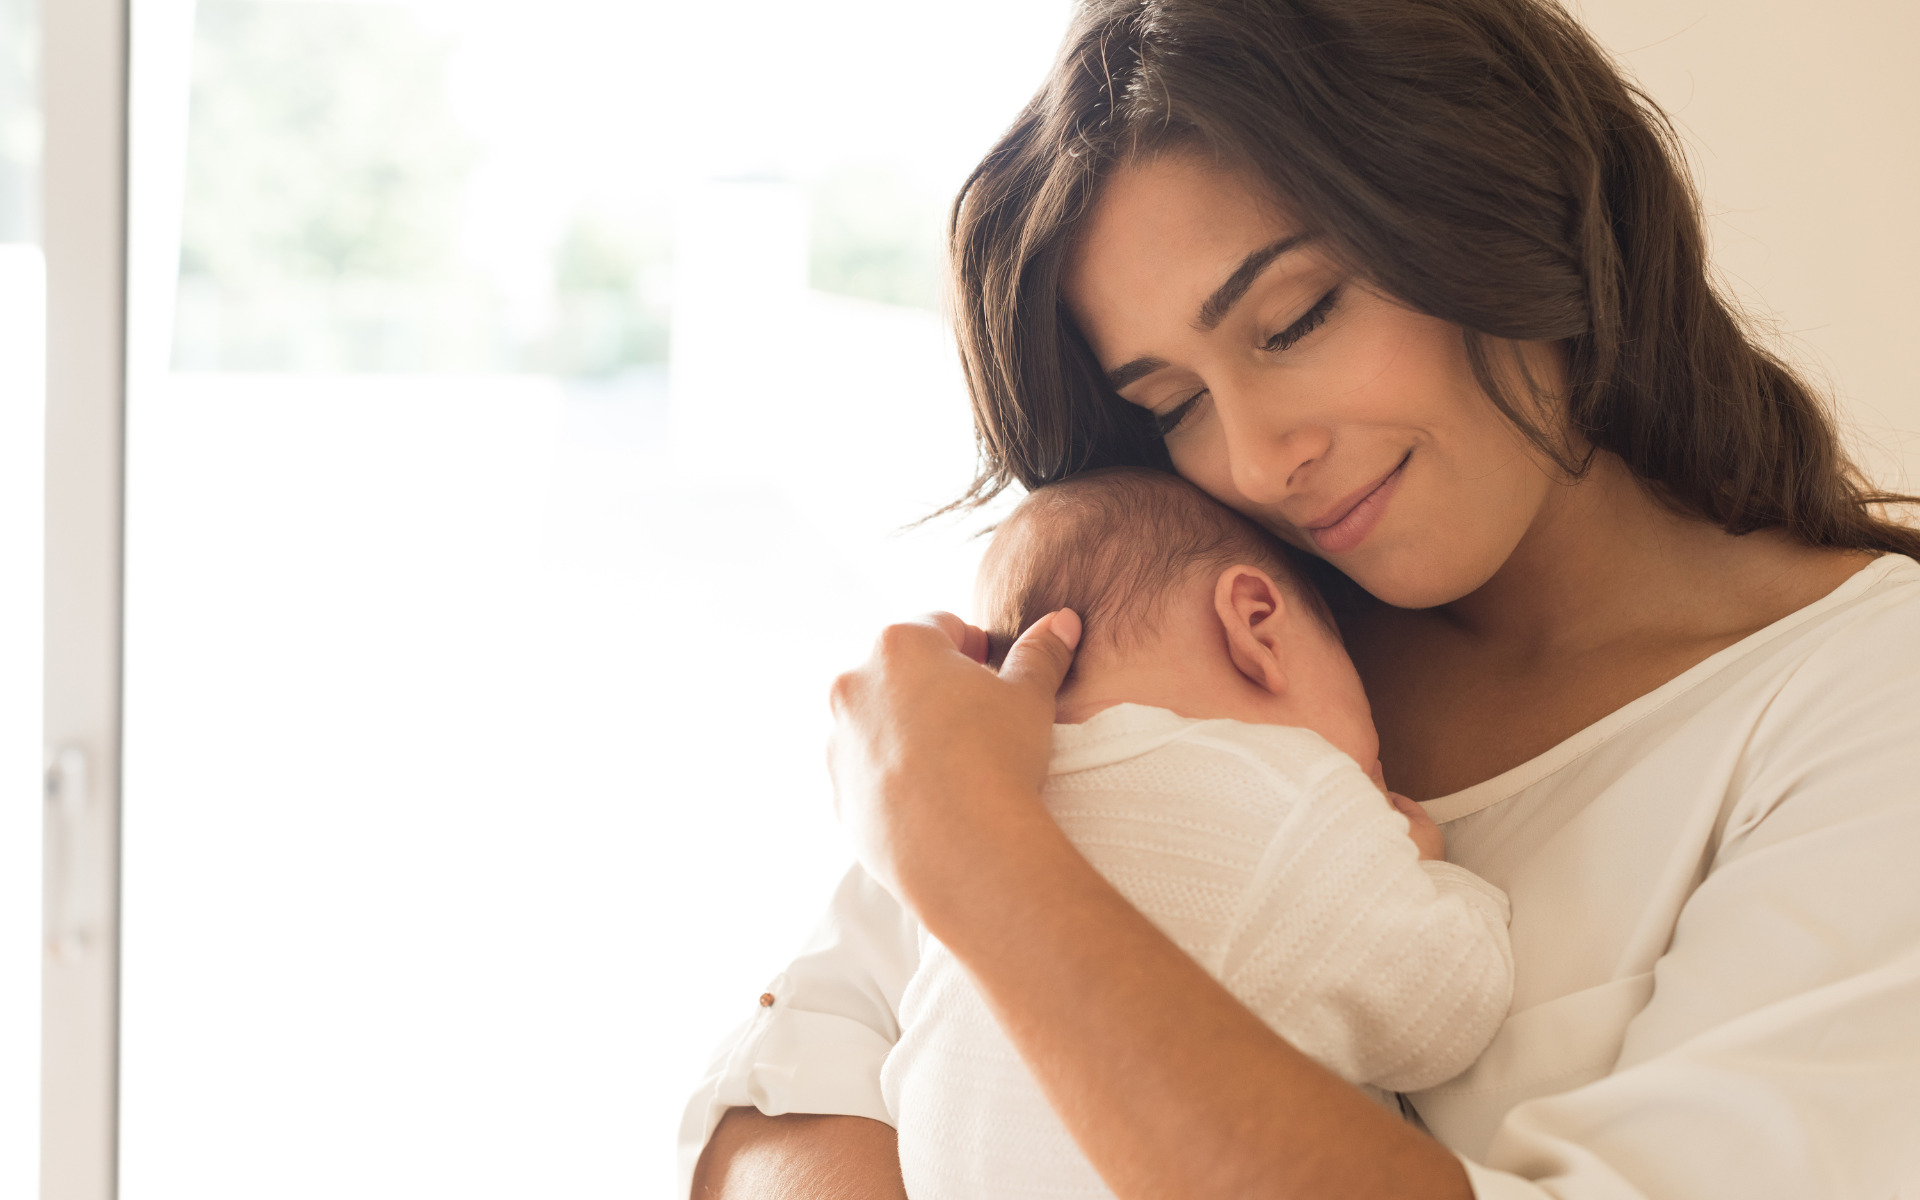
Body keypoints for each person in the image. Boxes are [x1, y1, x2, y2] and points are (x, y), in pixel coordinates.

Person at [686, 0, 1920, 1196]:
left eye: (1297, 318)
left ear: (1498, 201)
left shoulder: (1865, 705)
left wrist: (984, 863)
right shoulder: (1195, 637)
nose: (1259, 459)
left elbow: (937, 901)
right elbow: (776, 1110)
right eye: (1173, 404)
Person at [882, 467, 1513, 1200]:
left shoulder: (974, 825)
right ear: (1256, 624)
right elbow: (1446, 1012)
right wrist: (1428, 871)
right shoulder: (1284, 794)